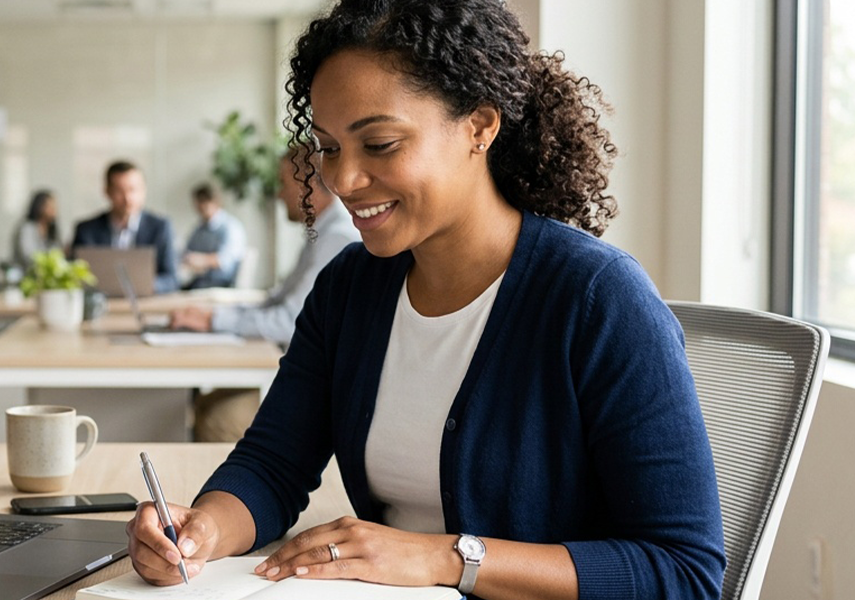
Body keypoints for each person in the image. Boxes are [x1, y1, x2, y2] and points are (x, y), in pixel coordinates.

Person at [126, 1, 725, 599]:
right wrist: (202, 529)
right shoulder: (349, 288)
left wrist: (447, 559)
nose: (342, 180)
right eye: (329, 148)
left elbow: (682, 570)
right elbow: (272, 465)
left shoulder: (597, 299)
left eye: (380, 144)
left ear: (480, 128)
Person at [170, 152, 359, 345]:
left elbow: (292, 321)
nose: (279, 194)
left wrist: (214, 320)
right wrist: (214, 315)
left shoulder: (337, 239)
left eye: (283, 183)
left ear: (308, 185)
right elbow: (277, 300)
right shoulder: (322, 234)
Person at [71, 161, 177, 293]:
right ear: (107, 192)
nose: (128, 198)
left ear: (144, 190)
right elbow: (75, 277)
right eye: (119, 191)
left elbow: (171, 280)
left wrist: (142, 284)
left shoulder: (160, 227)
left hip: (146, 304)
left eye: (133, 190)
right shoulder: (86, 230)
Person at [180, 183, 247, 289]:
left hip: (222, 283)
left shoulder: (230, 227)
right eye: (197, 204)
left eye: (203, 203)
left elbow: (224, 260)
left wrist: (200, 260)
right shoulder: (199, 229)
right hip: (199, 281)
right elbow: (186, 252)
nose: (199, 208)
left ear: (215, 202)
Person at [12, 189, 62, 265]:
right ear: (40, 207)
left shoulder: (52, 229)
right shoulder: (27, 228)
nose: (54, 210)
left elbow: (58, 252)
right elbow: (28, 256)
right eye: (50, 207)